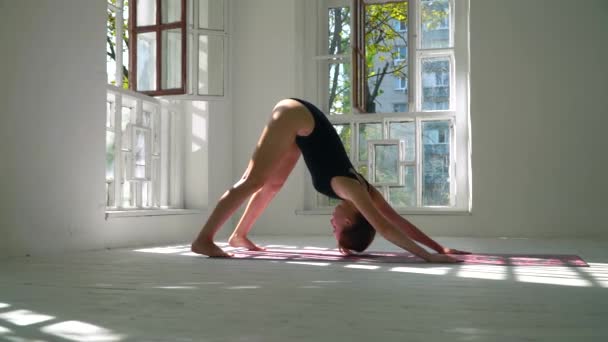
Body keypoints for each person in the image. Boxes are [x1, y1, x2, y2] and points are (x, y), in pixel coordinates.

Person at [191, 98, 469, 263]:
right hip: (296, 115)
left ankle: (239, 235)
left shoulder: (364, 190)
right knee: (253, 180)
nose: (331, 224)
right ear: (349, 222)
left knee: (272, 185)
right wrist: (428, 256)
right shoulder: (349, 189)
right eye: (335, 229)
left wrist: (438, 246)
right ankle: (203, 239)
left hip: (305, 128)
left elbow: (397, 219)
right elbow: (385, 226)